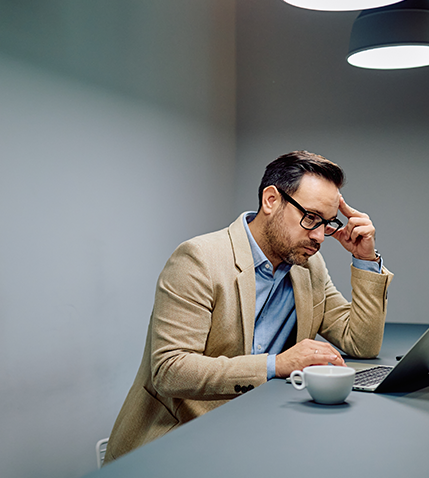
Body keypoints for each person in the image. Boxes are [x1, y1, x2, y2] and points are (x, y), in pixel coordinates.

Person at [104, 150, 393, 463]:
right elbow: (170, 370)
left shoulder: (309, 267)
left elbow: (362, 343)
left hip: (261, 432)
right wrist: (276, 365)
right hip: (178, 442)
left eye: (327, 223)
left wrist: (365, 259)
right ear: (271, 200)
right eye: (310, 218)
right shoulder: (198, 259)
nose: (320, 236)